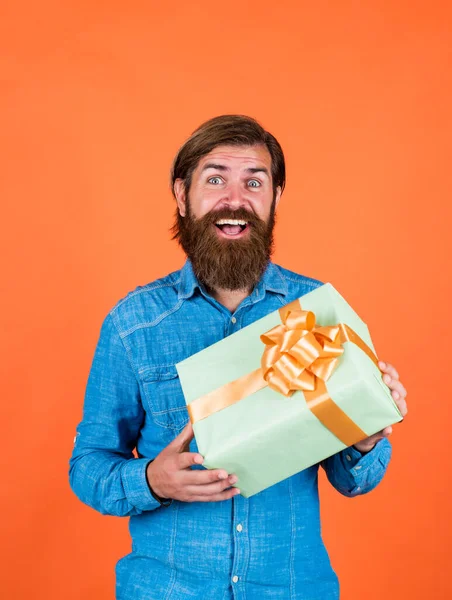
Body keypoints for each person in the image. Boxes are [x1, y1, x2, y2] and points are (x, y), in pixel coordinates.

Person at [69, 115, 408, 600]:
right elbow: (88, 467)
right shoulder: (133, 324)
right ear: (182, 196)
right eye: (215, 179)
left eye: (254, 181)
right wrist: (152, 480)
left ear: (274, 200)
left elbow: (353, 482)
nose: (235, 199)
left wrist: (368, 437)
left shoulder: (318, 312)